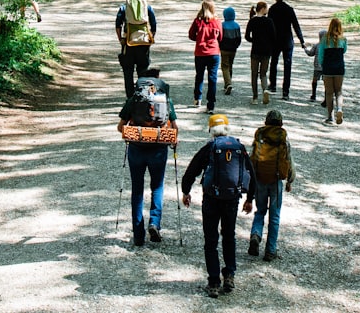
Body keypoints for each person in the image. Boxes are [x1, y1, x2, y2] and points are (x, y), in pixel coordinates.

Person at [182, 114, 254, 298]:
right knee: (229, 236)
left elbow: (192, 170)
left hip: (211, 199)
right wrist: (249, 199)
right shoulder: (239, 147)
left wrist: (186, 190)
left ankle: (214, 281)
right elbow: (251, 174)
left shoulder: (210, 147)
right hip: (232, 199)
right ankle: (229, 274)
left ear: (211, 130)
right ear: (227, 129)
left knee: (211, 240)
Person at [117, 70, 178, 246]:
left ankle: (138, 235)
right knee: (157, 187)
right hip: (158, 149)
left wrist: (135, 131)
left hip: (136, 150)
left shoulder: (134, 99)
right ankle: (154, 222)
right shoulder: (166, 100)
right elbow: (174, 127)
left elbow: (121, 127)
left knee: (137, 190)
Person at [247, 110, 295, 261]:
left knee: (260, 211)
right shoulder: (283, 140)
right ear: (281, 123)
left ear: (266, 122)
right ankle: (270, 250)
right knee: (274, 216)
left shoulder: (260, 136)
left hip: (260, 178)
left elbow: (252, 158)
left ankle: (256, 234)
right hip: (275, 181)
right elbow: (289, 160)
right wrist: (290, 180)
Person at [116, 0, 158, 98]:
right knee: (143, 70)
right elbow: (154, 25)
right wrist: (151, 37)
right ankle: (142, 95)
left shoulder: (124, 7)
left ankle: (130, 97)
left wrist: (121, 39)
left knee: (128, 71)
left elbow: (118, 25)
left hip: (128, 42)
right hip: (143, 42)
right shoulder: (147, 7)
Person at [267, 0, 306, 100]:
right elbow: (295, 25)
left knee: (274, 62)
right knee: (287, 65)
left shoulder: (272, 9)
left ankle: (273, 85)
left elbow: (270, 26)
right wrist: (301, 40)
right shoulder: (289, 9)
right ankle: (285, 92)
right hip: (287, 40)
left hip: (275, 40)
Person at [188, 0, 222, 113]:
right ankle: (211, 105)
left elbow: (191, 35)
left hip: (200, 52)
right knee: (212, 79)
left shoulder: (198, 21)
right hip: (213, 53)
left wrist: (199, 40)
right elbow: (221, 37)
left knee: (199, 76)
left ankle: (197, 98)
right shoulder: (216, 22)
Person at [245, 1, 277, 105]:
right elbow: (274, 37)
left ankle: (255, 97)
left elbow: (247, 36)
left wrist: (253, 40)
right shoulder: (269, 21)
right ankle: (265, 89)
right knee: (263, 73)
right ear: (263, 9)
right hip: (266, 51)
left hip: (255, 50)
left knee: (254, 74)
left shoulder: (252, 21)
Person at [318, 18, 348, 125]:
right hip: (339, 68)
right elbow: (344, 50)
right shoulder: (343, 39)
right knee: (339, 91)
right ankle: (339, 109)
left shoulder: (324, 39)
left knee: (329, 92)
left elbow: (320, 55)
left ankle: (330, 117)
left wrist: (322, 65)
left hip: (328, 68)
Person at [219, 6, 242, 96]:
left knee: (225, 66)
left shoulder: (222, 25)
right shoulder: (236, 25)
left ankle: (228, 83)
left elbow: (219, 37)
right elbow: (239, 38)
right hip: (233, 49)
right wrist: (236, 45)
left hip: (224, 49)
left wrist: (219, 45)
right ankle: (228, 82)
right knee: (230, 65)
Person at [303, 29, 327, 103]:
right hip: (326, 67)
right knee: (326, 83)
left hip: (317, 67)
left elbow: (310, 53)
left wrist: (305, 48)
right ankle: (326, 98)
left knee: (314, 81)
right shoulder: (329, 46)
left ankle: (313, 95)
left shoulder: (317, 45)